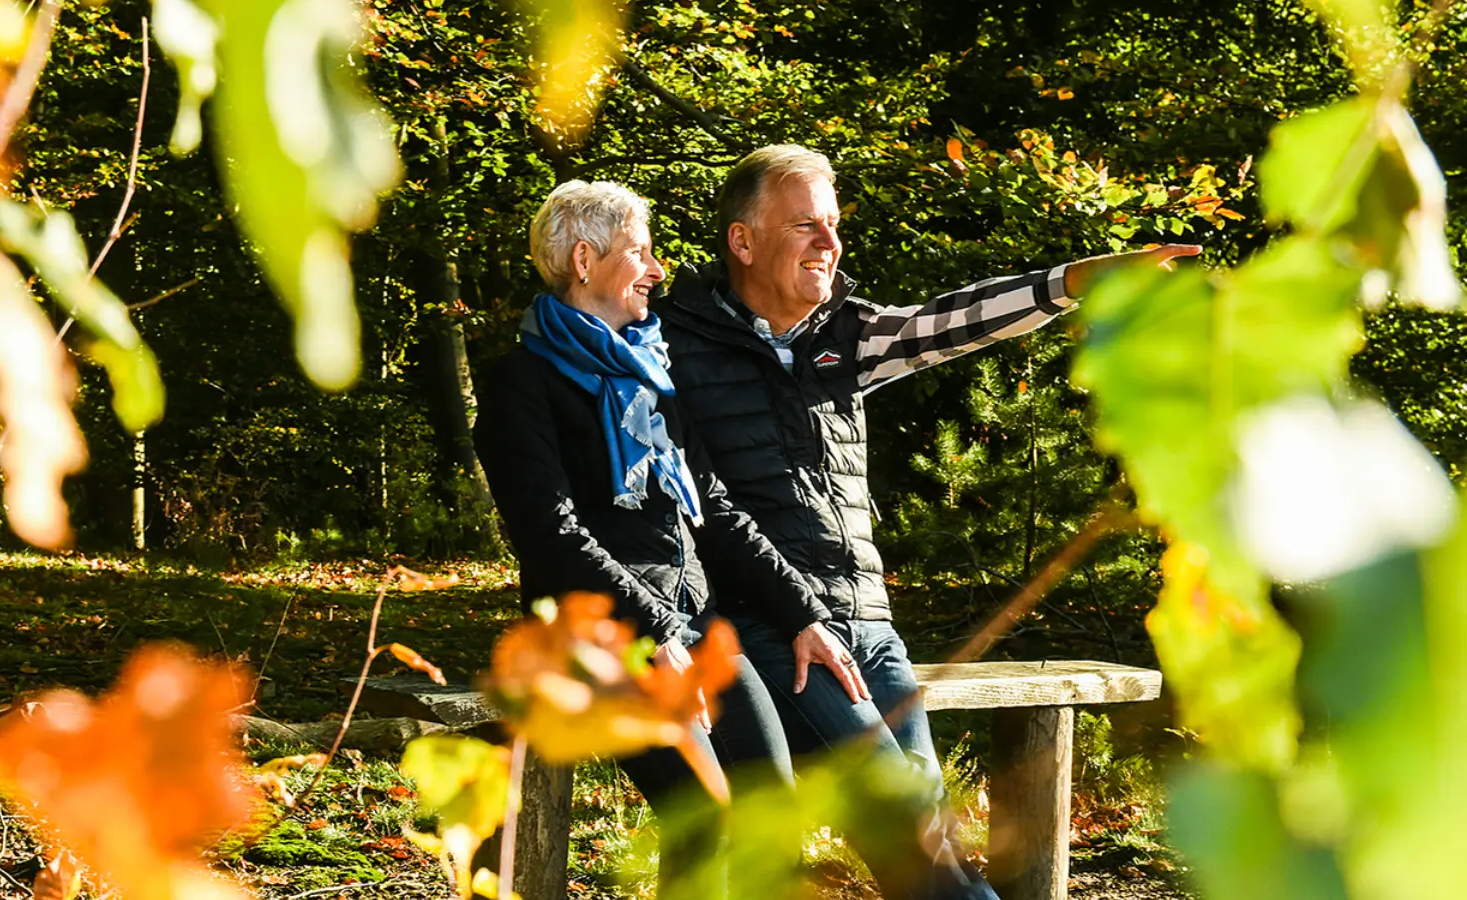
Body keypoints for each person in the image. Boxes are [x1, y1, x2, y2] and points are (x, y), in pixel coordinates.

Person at [654, 144, 1198, 900]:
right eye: (805, 225)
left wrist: (1073, 282)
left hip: (869, 628)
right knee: (913, 825)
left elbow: (951, 323)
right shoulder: (674, 347)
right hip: (774, 633)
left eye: (834, 225)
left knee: (922, 844)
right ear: (741, 241)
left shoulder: (842, 335)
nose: (829, 243)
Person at [472, 179, 863, 894]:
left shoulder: (654, 374)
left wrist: (801, 613)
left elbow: (712, 510)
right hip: (594, 634)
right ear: (585, 260)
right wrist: (658, 631)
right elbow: (552, 536)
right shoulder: (520, 383)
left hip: (689, 627)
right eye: (641, 253)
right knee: (706, 817)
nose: (658, 271)